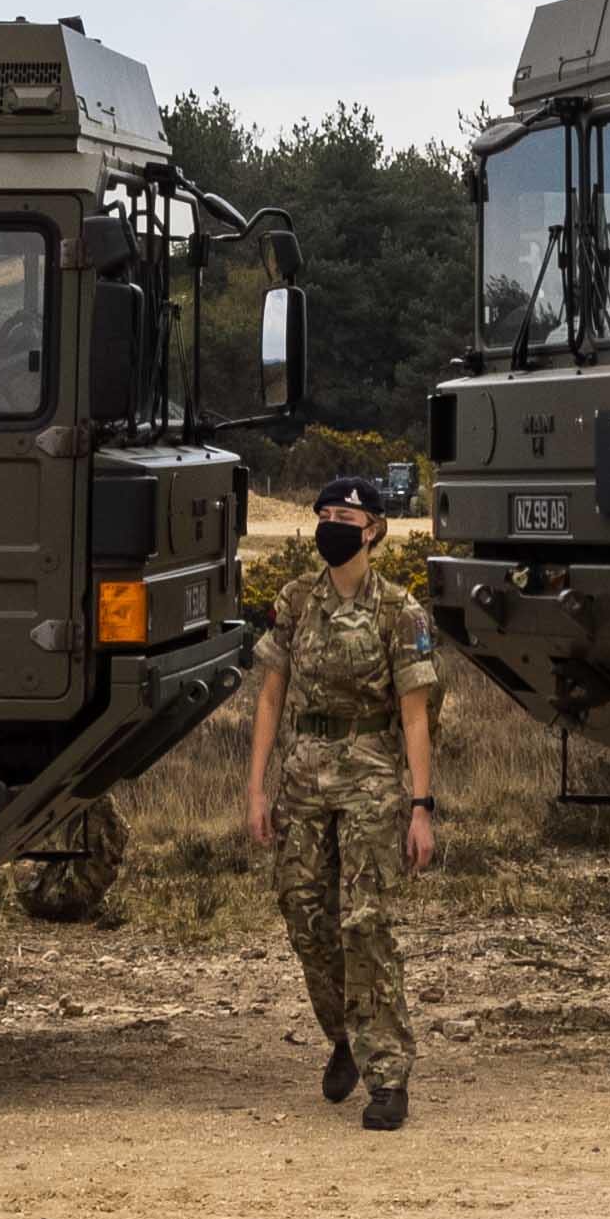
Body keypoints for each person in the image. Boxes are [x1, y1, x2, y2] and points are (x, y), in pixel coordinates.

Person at [238, 465, 443, 1127]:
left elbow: (416, 715)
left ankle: (388, 1074)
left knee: (363, 921)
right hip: (302, 776)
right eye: (324, 517)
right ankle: (346, 1034)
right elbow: (270, 696)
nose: (332, 528)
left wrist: (421, 807)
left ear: (373, 529)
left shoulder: (398, 610)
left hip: (370, 778)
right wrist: (256, 788)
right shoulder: (297, 599)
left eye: (345, 519)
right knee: (303, 914)